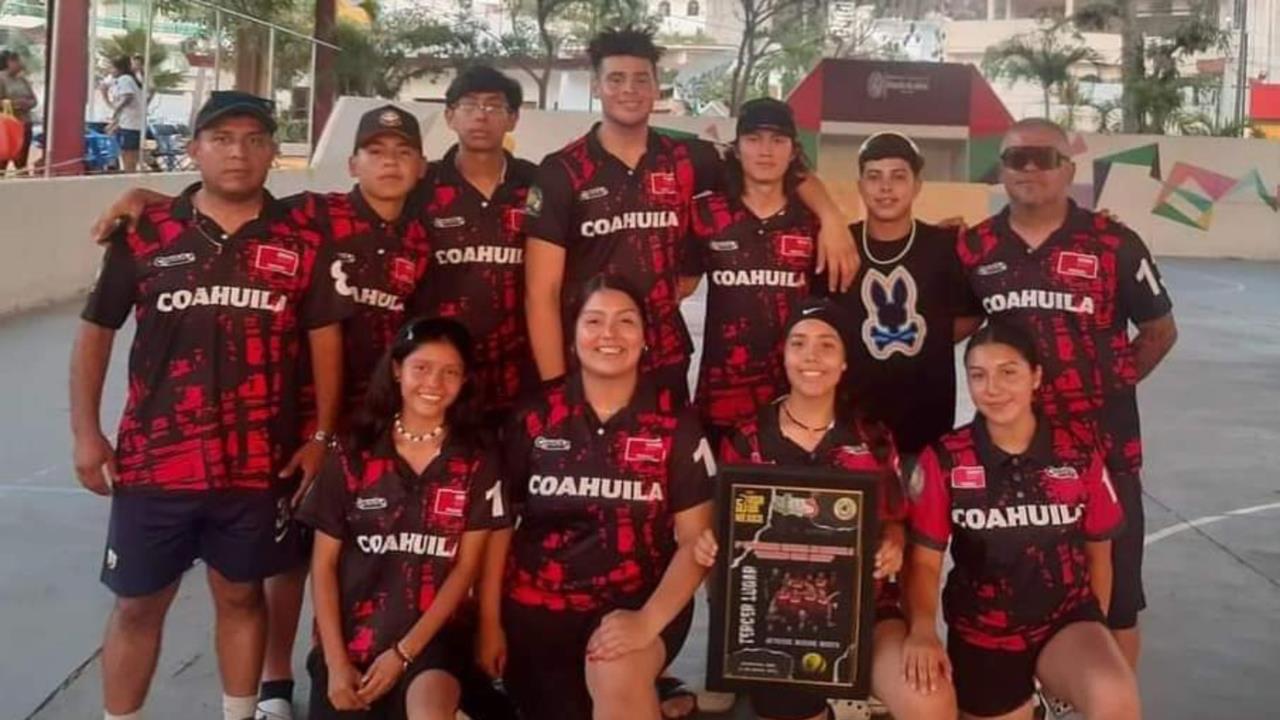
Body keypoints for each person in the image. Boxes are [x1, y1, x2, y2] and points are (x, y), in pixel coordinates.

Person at [68, 90, 350, 720]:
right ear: (194, 149)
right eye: (221, 139)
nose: (238, 153)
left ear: (275, 153)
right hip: (154, 463)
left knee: (241, 596)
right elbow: (95, 335)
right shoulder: (144, 232)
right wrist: (87, 435)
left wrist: (322, 436)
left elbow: (326, 340)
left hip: (257, 465)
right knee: (137, 605)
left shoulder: (302, 238)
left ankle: (238, 713)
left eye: (254, 140)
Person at [523, 25, 860, 403]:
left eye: (640, 79)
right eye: (616, 79)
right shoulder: (562, 171)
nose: (629, 90)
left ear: (656, 88)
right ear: (595, 87)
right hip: (590, 357)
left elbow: (776, 168)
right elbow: (541, 291)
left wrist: (830, 217)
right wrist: (554, 390)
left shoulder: (686, 158)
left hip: (665, 358)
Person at [957, 118, 1177, 672]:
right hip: (1012, 458)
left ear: (1068, 169)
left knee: (1117, 601)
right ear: (1001, 169)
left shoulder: (1114, 242)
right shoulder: (977, 248)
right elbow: (954, 324)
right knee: (1015, 596)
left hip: (1105, 452)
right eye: (1015, 158)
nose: (1029, 168)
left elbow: (1159, 331)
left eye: (1044, 157)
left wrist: (1107, 385)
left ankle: (1111, 702)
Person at [700, 298, 957, 720]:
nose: (811, 357)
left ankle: (859, 689)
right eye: (799, 344)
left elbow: (895, 523)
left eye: (827, 345)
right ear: (783, 356)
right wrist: (713, 547)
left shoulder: (872, 439)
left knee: (929, 699)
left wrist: (892, 544)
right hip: (778, 622)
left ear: (844, 362)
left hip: (866, 611)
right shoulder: (747, 441)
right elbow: (723, 540)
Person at [480, 274, 716, 720]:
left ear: (646, 339)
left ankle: (647, 684)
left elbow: (695, 542)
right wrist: (489, 623)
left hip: (637, 602)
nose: (609, 334)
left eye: (626, 321)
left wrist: (647, 621)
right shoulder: (534, 418)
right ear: (572, 336)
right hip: (537, 612)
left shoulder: (674, 424)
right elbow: (496, 528)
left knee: (616, 671)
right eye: (594, 321)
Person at [904, 320, 1140, 720]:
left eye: (1008, 372)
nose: (992, 388)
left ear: (1036, 377)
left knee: (1115, 696)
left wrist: (1095, 628)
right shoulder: (946, 457)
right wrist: (923, 630)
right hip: (985, 635)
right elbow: (925, 562)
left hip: (1065, 620)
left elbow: (1100, 551)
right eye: (978, 376)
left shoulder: (1078, 450)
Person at [299, 317, 510, 720]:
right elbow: (323, 566)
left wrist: (403, 652)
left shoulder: (478, 458)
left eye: (450, 372)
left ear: (465, 380)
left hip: (432, 638)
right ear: (397, 370)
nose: (434, 382)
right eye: (422, 368)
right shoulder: (352, 453)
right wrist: (334, 662)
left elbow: (465, 569)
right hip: (353, 638)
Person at [820, 131, 982, 464]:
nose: (885, 188)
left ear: (918, 185)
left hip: (925, 433)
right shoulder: (838, 246)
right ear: (860, 185)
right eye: (874, 177)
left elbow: (972, 313)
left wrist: (931, 338)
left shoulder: (945, 246)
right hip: (851, 431)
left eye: (898, 176)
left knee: (921, 515)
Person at [679, 97, 821, 449]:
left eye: (777, 140)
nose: (765, 151)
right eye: (754, 139)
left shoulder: (813, 223)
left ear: (793, 152)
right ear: (737, 149)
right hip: (721, 402)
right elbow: (676, 288)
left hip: (795, 400)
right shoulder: (706, 214)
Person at [410, 65, 539, 423]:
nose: (481, 116)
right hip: (440, 372)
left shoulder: (538, 184)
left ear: (513, 118)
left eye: (494, 106)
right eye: (469, 106)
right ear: (450, 116)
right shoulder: (421, 185)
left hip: (520, 371)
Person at [0, 49, 38, 173]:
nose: (22, 64)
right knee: (3, 158)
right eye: (19, 61)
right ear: (10, 62)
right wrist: (13, 104)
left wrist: (27, 104)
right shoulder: (2, 79)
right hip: (6, 126)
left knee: (21, 160)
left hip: (24, 124)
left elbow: (34, 100)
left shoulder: (23, 80)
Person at [107, 56, 145, 172]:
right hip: (130, 123)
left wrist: (116, 110)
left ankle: (129, 177)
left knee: (128, 156)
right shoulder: (128, 79)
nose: (110, 70)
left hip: (131, 125)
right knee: (127, 153)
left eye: (112, 68)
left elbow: (128, 97)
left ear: (119, 68)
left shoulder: (125, 79)